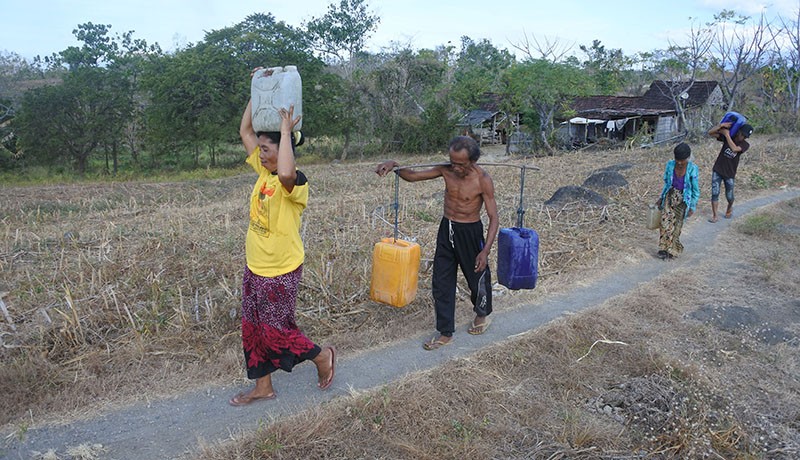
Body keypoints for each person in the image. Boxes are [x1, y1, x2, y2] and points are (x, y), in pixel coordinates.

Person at [229, 93, 335, 406]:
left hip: (280, 270)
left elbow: (287, 172)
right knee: (252, 330)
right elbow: (245, 132)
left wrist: (286, 131)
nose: (260, 154)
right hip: (255, 265)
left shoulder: (294, 182)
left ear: (283, 148)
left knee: (276, 332)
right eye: (260, 150)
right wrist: (254, 92)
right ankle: (263, 386)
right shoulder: (264, 173)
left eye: (267, 149)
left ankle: (322, 357)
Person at [375, 136, 499, 350]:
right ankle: (445, 331)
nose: (455, 167)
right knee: (441, 281)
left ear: (472, 161)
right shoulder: (446, 170)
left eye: (461, 163)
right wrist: (395, 166)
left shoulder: (482, 179)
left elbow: (493, 217)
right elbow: (413, 176)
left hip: (470, 231)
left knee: (476, 276)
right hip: (447, 229)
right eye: (452, 162)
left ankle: (482, 313)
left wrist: (485, 251)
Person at [656, 142, 700, 260]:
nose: (680, 163)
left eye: (682, 160)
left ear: (688, 158)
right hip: (669, 196)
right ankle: (663, 248)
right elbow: (667, 184)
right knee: (665, 223)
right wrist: (661, 197)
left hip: (683, 200)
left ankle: (673, 250)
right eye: (677, 160)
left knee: (677, 226)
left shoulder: (692, 169)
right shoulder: (670, 165)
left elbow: (695, 190)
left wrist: (692, 206)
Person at [707, 120, 753, 222]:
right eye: (743, 135)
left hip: (730, 173)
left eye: (745, 137)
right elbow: (710, 133)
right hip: (718, 169)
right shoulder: (730, 136)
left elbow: (734, 149)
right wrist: (720, 126)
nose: (743, 138)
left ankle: (729, 206)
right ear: (739, 131)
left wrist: (727, 135)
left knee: (729, 196)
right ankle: (715, 216)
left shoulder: (745, 144)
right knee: (715, 193)